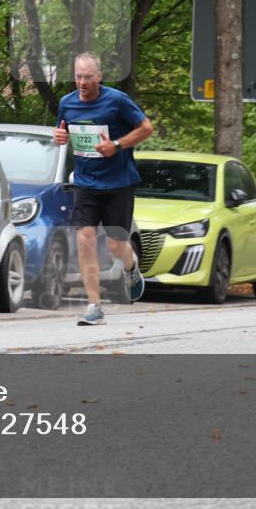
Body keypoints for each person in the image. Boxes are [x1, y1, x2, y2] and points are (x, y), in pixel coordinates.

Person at [54, 52, 153, 325]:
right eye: (78, 76)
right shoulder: (67, 103)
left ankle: (131, 269)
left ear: (99, 76)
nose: (82, 82)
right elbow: (61, 132)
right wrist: (58, 137)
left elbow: (146, 128)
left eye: (88, 77)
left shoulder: (117, 101)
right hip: (85, 182)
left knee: (115, 244)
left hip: (118, 183)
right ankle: (94, 305)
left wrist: (117, 145)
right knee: (84, 238)